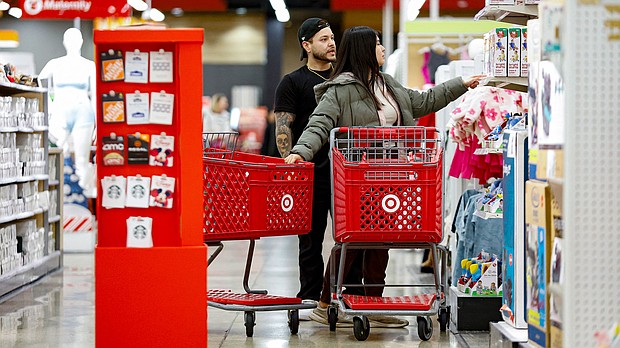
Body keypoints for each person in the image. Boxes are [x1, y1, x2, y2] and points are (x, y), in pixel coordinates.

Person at [285, 26, 483, 328]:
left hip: (393, 173)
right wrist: (301, 152)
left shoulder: (387, 84)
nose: (382, 49)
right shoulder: (340, 90)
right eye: (377, 44)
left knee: (383, 238)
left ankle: (373, 302)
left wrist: (461, 84)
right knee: (354, 238)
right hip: (356, 177)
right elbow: (319, 123)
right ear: (364, 49)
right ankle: (325, 302)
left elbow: (423, 101)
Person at [273, 18, 364, 325]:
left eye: (332, 38)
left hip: (346, 173)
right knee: (310, 240)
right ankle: (311, 297)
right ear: (306, 45)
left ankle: (347, 295)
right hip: (310, 174)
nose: (331, 43)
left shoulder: (346, 80)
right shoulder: (293, 82)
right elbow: (283, 129)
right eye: (323, 39)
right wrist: (292, 169)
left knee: (351, 237)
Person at [38, 28, 96, 197]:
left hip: (83, 113)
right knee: (54, 153)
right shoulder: (55, 64)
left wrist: (98, 122)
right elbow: (38, 82)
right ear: (64, 42)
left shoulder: (88, 66)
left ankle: (84, 195)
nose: (72, 43)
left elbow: (95, 93)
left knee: (82, 159)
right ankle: (51, 190)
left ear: (81, 42)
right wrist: (48, 105)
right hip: (60, 113)